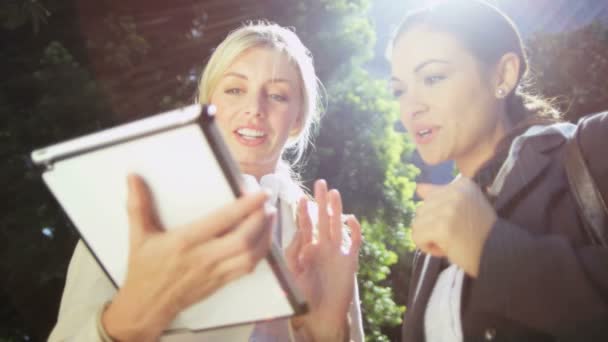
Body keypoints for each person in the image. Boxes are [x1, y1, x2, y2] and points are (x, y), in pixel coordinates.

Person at [49, 22, 364, 342]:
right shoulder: (137, 208)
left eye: (277, 95)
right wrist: (125, 321)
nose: (254, 109)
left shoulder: (324, 235)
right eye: (235, 90)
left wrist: (330, 334)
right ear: (207, 103)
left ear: (298, 118)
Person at [386, 0, 608, 341]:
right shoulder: (432, 242)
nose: (410, 107)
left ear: (502, 74)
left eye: (433, 77)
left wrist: (491, 252)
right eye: (399, 90)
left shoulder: (594, 147)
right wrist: (333, 328)